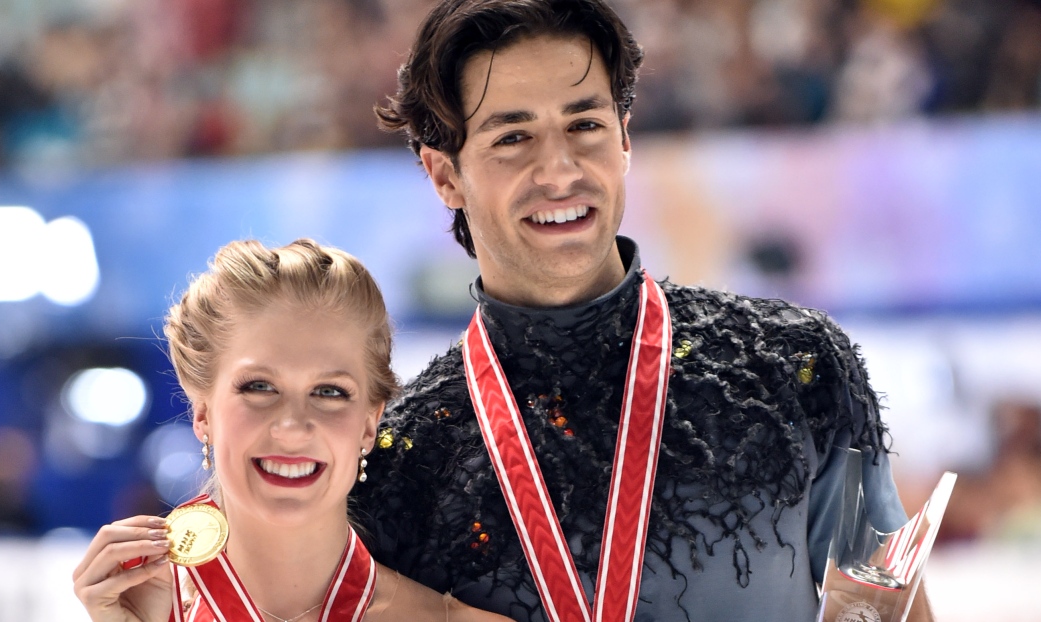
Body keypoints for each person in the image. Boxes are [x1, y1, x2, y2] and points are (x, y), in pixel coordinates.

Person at [355, 1, 934, 621]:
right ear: (445, 174)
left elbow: (887, 605)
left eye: (584, 125)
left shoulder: (797, 366)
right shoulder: (402, 462)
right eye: (513, 138)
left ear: (624, 137)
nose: (559, 171)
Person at [72, 239, 510, 622]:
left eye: (330, 392)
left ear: (369, 424)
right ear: (202, 413)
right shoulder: (138, 609)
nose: (292, 427)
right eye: (259, 387)